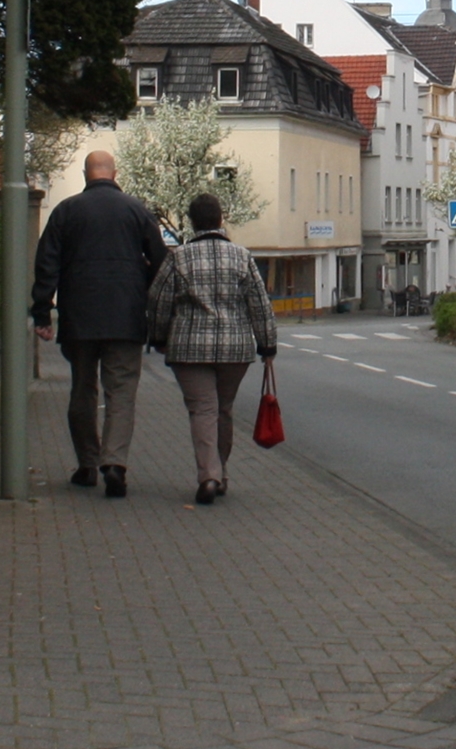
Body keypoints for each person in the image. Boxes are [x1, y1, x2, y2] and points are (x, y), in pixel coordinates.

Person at [30, 149, 169, 496]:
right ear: (115, 173)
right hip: (126, 315)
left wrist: (43, 312)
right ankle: (115, 462)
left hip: (79, 316)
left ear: (85, 174)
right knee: (121, 390)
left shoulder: (66, 211)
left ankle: (88, 464)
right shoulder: (137, 210)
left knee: (82, 388)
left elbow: (47, 262)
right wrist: (143, 289)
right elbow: (162, 261)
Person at [144, 191, 277, 506]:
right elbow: (260, 304)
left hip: (189, 349)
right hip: (235, 349)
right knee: (223, 409)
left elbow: (157, 300)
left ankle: (209, 476)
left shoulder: (178, 258)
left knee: (202, 409)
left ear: (192, 222)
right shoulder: (242, 256)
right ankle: (221, 472)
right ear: (220, 220)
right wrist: (267, 344)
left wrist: (159, 337)